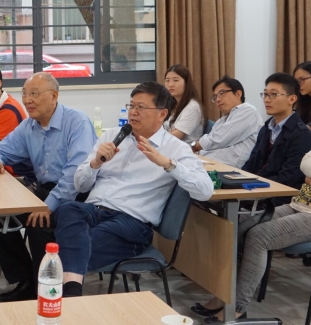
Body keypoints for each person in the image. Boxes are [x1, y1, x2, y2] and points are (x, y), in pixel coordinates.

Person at [54, 81, 213, 297]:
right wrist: (95, 163)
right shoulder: (112, 136)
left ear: (162, 114)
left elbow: (205, 190)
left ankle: (65, 294)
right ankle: (72, 293)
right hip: (94, 210)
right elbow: (80, 185)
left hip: (131, 222)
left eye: (141, 107)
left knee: (63, 248)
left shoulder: (175, 148)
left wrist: (168, 164)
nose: (133, 112)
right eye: (131, 106)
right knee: (68, 209)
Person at [0, 73, 97, 302]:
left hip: (77, 194)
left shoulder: (76, 122)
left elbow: (75, 176)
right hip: (45, 189)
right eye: (24, 94)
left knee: (39, 222)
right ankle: (25, 280)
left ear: (54, 96)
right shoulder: (29, 126)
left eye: (34, 94)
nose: (27, 100)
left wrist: (48, 205)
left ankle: (46, 290)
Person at [192, 146, 311, 322]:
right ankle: (224, 296)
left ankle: (238, 307)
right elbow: (305, 163)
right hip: (299, 204)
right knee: (239, 224)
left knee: (260, 236)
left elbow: (309, 172)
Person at [241, 72, 311, 206]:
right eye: (265, 94)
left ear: (292, 99)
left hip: (279, 199)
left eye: (273, 95)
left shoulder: (301, 134)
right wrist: (238, 180)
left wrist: (252, 185)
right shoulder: (266, 128)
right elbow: (251, 163)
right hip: (256, 191)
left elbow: (288, 178)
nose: (267, 100)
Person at [191, 76, 263, 168]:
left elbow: (218, 140)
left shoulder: (248, 111)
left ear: (238, 94)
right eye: (215, 97)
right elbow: (213, 143)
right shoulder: (222, 120)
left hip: (233, 170)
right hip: (212, 163)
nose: (218, 99)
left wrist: (195, 146)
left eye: (222, 93)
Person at [164, 64, 205, 143]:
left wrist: (154, 139)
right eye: (167, 80)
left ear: (186, 83)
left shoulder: (192, 107)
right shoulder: (173, 104)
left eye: (175, 80)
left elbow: (177, 135)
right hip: (169, 145)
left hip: (183, 148)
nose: (170, 84)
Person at [293, 61, 311, 132]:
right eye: (296, 81)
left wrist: (309, 127)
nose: (299, 84)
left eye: (302, 79)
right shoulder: (305, 100)